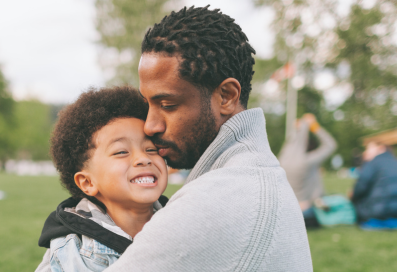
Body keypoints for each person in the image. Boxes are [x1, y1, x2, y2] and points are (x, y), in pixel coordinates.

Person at [106, 6, 312, 271]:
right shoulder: (256, 176)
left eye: (167, 104)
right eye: (148, 104)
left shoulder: (217, 200)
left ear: (226, 96)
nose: (150, 125)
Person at [35, 87, 168, 271]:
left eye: (151, 149)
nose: (143, 158)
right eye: (121, 152)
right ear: (88, 183)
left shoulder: (184, 220)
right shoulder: (72, 250)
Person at [278, 113, 337, 227]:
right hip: (305, 213)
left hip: (286, 212)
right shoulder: (307, 161)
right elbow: (330, 145)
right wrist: (314, 126)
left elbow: (291, 144)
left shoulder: (281, 159)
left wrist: (297, 130)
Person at [350, 141, 397, 222]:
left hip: (381, 211)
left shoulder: (372, 163)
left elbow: (359, 189)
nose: (365, 152)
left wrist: (351, 196)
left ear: (381, 148)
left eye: (368, 148)